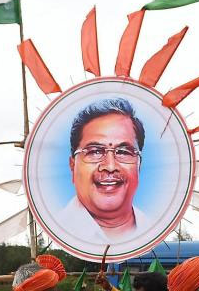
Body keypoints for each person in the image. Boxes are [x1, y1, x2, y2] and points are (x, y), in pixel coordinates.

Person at [55, 98, 150, 244]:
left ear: (139, 164)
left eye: (123, 152)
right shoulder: (58, 231)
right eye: (95, 151)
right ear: (72, 166)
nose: (110, 166)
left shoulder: (151, 230)